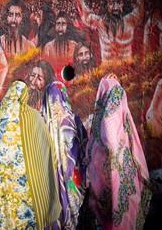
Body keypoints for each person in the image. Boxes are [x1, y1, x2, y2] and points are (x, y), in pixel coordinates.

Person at [0, 81, 61, 229]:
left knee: (7, 215)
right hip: (26, 182)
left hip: (3, 183)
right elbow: (48, 146)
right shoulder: (33, 116)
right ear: (24, 96)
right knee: (29, 214)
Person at [86, 76, 151, 229]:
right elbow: (112, 140)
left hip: (104, 179)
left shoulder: (96, 128)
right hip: (123, 173)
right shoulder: (117, 120)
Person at [41, 81, 89, 228]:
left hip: (49, 176)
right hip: (72, 173)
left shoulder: (40, 121)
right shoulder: (72, 119)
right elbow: (84, 144)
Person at [74, 0, 143, 61]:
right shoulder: (100, 23)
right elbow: (85, 14)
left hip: (126, 69)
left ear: (123, 4)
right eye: (111, 3)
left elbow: (140, 8)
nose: (115, 7)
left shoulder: (130, 21)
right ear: (106, 6)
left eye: (119, 2)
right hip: (107, 70)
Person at [43, 11, 79, 78]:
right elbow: (45, 71)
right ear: (55, 26)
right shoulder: (48, 47)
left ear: (68, 26)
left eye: (63, 24)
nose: (60, 28)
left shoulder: (74, 46)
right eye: (58, 24)